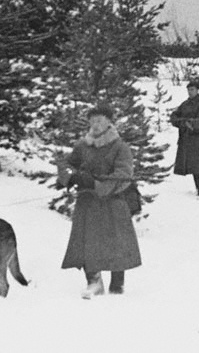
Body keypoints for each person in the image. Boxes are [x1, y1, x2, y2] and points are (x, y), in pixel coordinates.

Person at [58, 104, 142, 299]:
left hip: (113, 202)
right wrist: (70, 177)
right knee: (86, 243)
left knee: (116, 244)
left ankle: (117, 286)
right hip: (87, 203)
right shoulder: (82, 145)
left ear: (109, 122)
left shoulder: (120, 147)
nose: (95, 125)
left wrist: (96, 184)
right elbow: (66, 163)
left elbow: (124, 176)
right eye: (92, 120)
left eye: (100, 120)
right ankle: (93, 282)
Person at [170, 81, 199, 199]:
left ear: (198, 90)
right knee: (191, 165)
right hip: (185, 138)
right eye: (189, 89)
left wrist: (188, 122)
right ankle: (198, 190)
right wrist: (183, 122)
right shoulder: (185, 104)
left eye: (192, 89)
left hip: (197, 138)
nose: (190, 91)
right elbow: (174, 117)